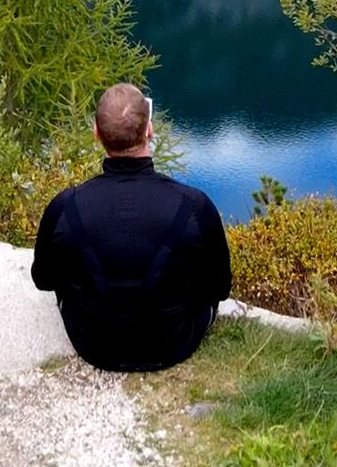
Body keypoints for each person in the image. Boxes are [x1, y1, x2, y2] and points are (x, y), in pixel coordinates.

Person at [31, 82, 232, 371]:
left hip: (93, 344)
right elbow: (219, 288)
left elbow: (44, 280)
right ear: (149, 130)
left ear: (97, 133)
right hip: (173, 343)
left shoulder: (65, 207)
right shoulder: (194, 206)